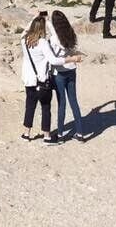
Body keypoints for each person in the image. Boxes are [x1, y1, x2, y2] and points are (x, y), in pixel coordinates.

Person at [43, 11, 85, 141]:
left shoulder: (55, 39)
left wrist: (46, 21)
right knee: (74, 101)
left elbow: (54, 35)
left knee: (62, 103)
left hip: (59, 72)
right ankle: (80, 133)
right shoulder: (70, 34)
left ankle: (60, 134)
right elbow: (55, 31)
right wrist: (48, 21)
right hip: (71, 70)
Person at [19, 14, 54, 143]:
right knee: (45, 107)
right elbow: (53, 59)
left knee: (29, 106)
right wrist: (48, 21)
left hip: (29, 80)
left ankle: (26, 133)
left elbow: (24, 32)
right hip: (42, 80)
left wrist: (35, 17)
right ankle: (46, 136)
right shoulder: (43, 43)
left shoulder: (24, 41)